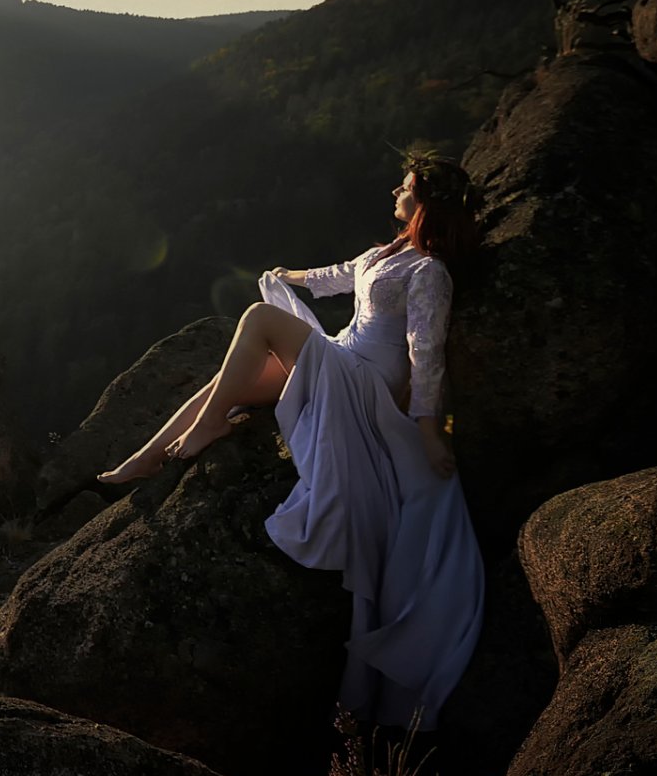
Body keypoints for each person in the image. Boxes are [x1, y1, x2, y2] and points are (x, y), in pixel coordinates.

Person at [96, 151, 486, 730]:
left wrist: (428, 431)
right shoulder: (387, 254)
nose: (394, 194)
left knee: (256, 319)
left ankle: (206, 432)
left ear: (425, 201)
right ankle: (147, 457)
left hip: (365, 385)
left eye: (404, 188)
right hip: (341, 363)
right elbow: (332, 276)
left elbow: (423, 354)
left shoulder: (430, 272)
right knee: (228, 378)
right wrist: (289, 276)